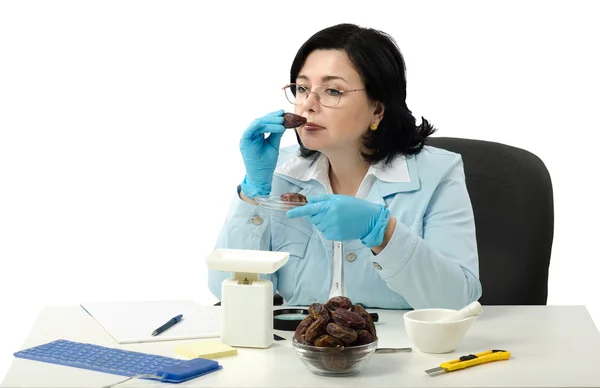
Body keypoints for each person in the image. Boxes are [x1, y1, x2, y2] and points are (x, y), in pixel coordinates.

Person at [208, 23, 482, 310]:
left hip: (405, 351)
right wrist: (254, 195)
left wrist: (383, 232)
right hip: (300, 350)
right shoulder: (280, 171)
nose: (308, 105)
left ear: (377, 109)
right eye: (302, 88)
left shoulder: (438, 173)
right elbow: (227, 293)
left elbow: (456, 301)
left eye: (332, 91)